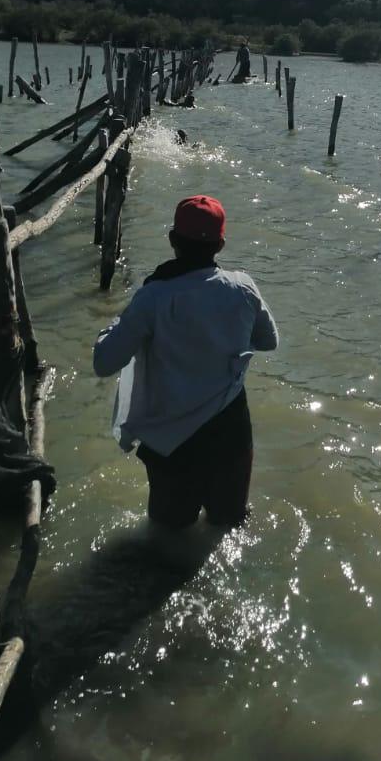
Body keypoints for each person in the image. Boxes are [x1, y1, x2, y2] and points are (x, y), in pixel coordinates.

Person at [92, 195, 278, 529]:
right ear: (220, 244)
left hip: (171, 438)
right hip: (229, 430)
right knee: (228, 525)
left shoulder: (153, 297)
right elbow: (269, 341)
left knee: (168, 536)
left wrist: (118, 324)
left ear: (172, 240)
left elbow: (104, 362)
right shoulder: (242, 288)